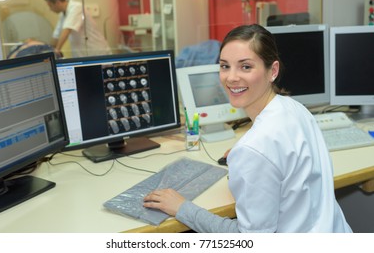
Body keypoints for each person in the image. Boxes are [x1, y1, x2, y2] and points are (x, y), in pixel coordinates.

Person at [143, 24, 352, 233]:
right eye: (225, 66)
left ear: (273, 71)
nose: (231, 77)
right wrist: (249, 160)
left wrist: (182, 208)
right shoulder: (296, 109)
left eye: (245, 67)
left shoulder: (255, 147)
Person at [44, 0, 111, 58]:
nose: (50, 9)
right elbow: (56, 35)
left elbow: (67, 30)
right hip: (82, 54)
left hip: (96, 51)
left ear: (57, 2)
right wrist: (49, 49)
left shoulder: (76, 7)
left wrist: (57, 50)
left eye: (50, 6)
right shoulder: (62, 14)